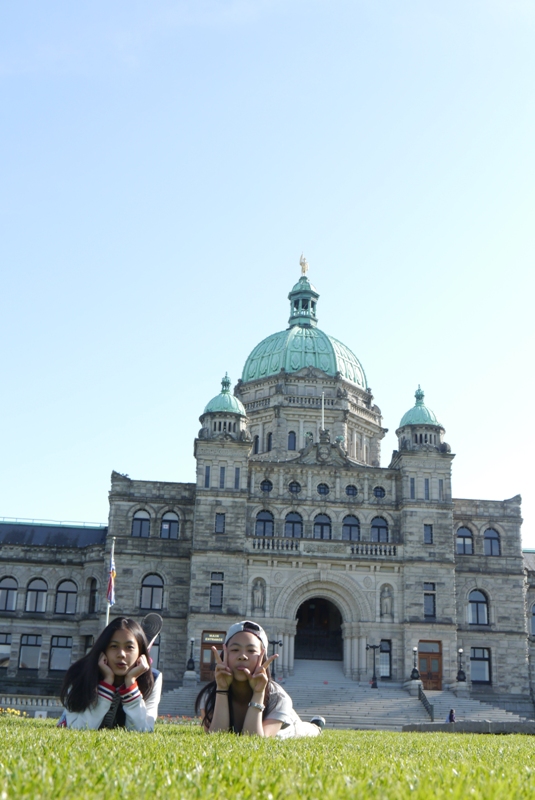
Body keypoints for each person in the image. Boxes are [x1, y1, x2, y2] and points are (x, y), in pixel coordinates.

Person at [195, 620, 325, 738]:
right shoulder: (210, 696)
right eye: (235, 649)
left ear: (263, 658)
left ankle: (316, 726)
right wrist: (222, 689)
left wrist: (259, 692)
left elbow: (254, 739)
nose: (242, 656)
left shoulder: (278, 698)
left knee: (305, 730)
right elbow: (217, 736)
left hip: (288, 725)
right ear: (225, 654)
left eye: (251, 650)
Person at [57, 617, 162, 731]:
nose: (121, 654)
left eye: (129, 647)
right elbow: (78, 728)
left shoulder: (153, 678)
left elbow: (143, 731)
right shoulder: (81, 673)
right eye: (114, 646)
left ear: (140, 652)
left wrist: (131, 683)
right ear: (103, 650)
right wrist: (107, 683)